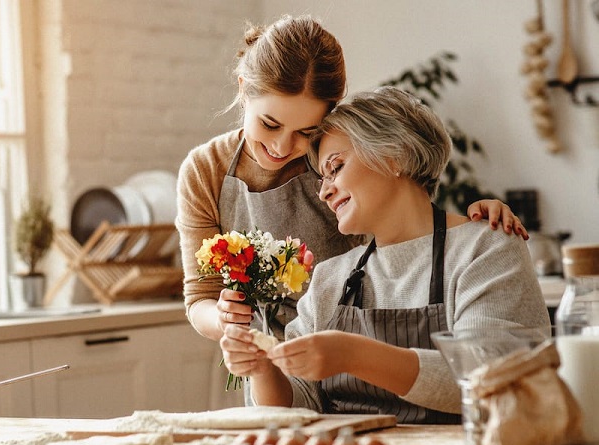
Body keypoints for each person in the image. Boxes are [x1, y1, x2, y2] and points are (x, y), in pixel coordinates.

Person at [176, 15, 527, 369]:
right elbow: (199, 297)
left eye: (306, 132)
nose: (282, 146)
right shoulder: (205, 171)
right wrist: (228, 322)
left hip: (358, 359)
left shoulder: (331, 158)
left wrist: (471, 225)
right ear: (242, 89)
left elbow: (406, 228)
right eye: (270, 124)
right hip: (270, 367)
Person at [220, 86, 551, 422]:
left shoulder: (484, 248)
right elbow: (298, 405)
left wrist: (354, 354)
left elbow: (491, 376)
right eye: (322, 177)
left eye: (336, 167)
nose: (324, 191)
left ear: (395, 155)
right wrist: (262, 369)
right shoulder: (330, 278)